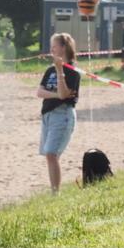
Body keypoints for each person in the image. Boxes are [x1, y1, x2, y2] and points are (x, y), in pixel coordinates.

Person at [36, 33, 80, 195]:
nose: (51, 50)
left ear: (63, 47)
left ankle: (55, 193)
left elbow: (64, 94)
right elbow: (40, 92)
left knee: (51, 153)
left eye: (54, 46)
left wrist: (60, 70)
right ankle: (54, 190)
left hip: (63, 115)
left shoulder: (73, 72)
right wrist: (55, 94)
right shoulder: (49, 70)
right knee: (50, 155)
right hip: (47, 115)